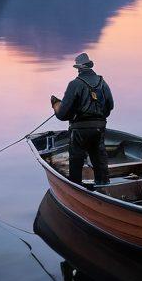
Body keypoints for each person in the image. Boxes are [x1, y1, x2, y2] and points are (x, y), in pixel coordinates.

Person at [51, 52, 114, 186]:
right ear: (90, 67)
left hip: (80, 130)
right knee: (99, 158)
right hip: (99, 127)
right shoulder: (103, 83)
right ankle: (103, 186)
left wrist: (56, 105)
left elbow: (62, 114)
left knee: (76, 158)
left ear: (78, 68)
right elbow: (110, 106)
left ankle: (76, 188)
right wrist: (99, 119)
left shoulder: (74, 84)